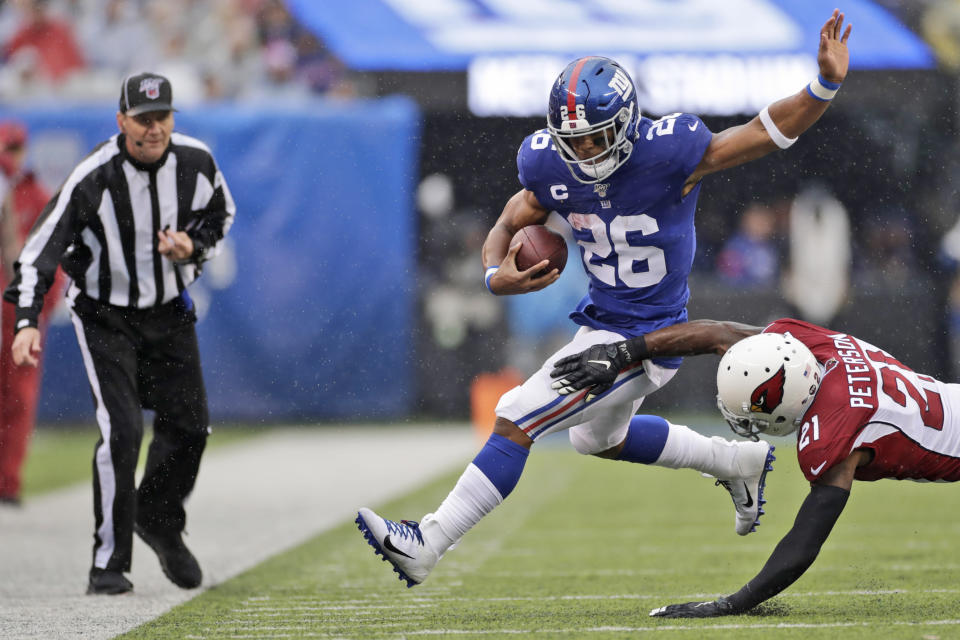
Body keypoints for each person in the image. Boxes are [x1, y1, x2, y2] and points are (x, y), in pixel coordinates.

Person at [356, 11, 852, 589]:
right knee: (598, 438)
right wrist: (496, 272)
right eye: (573, 141)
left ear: (626, 122)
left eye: (594, 136)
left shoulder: (671, 154)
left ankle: (430, 542)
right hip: (601, 321)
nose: (585, 150)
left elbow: (765, 133)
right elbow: (514, 216)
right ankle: (733, 462)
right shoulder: (547, 162)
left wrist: (824, 85)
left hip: (649, 332)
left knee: (518, 413)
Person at [548, 316, 960, 617]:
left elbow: (803, 544)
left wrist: (732, 604)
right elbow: (719, 335)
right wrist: (627, 352)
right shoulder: (816, 350)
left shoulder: (834, 431)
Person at [3, 72, 236, 595]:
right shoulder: (95, 175)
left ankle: (157, 517)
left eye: (163, 118)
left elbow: (220, 217)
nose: (155, 130)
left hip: (169, 309)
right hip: (105, 315)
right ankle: (108, 564)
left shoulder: (195, 161)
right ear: (121, 121)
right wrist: (24, 320)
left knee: (192, 427)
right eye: (144, 119)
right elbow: (40, 248)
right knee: (123, 431)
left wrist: (190, 247)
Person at [0, 119, 62, 506]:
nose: (11, 157)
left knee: (19, 396)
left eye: (16, 148)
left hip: (17, 314)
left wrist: (39, 310)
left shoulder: (37, 196)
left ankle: (7, 482)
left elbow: (53, 259)